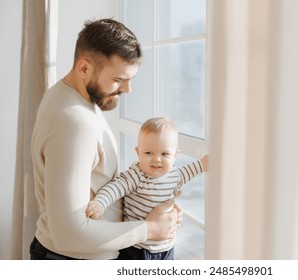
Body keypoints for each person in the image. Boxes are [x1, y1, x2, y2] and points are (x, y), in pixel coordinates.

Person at [29, 18, 182, 260]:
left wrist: (150, 205)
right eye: (119, 79)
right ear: (84, 68)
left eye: (130, 79)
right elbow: (68, 233)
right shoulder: (73, 121)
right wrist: (151, 229)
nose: (127, 89)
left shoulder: (67, 95)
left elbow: (93, 183)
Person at [85, 117, 209, 260]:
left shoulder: (174, 175)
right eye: (148, 153)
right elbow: (115, 187)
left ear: (175, 155)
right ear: (138, 152)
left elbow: (189, 170)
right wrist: (100, 203)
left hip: (167, 247)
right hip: (137, 248)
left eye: (164, 154)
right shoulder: (136, 175)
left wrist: (202, 165)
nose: (156, 159)